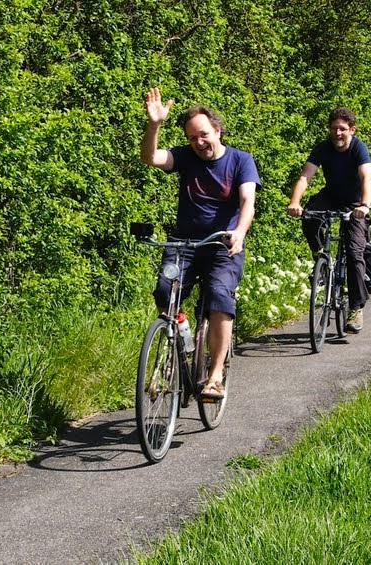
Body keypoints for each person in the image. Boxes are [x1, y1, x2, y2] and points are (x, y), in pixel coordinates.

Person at [140, 87, 260, 399]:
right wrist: (154, 125)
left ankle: (215, 377)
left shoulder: (241, 160)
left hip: (223, 245)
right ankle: (182, 335)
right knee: (165, 292)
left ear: (217, 130)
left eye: (204, 134)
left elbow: (247, 202)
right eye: (193, 138)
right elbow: (151, 157)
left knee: (219, 296)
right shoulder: (185, 156)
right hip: (184, 243)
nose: (199, 142)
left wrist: (239, 232)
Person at [286, 107, 371, 333]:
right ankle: (321, 259)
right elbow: (305, 176)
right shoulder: (323, 148)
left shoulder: (358, 148)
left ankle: (356, 307)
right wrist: (295, 202)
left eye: (342, 129)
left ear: (352, 130)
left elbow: (366, 177)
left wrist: (365, 205)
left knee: (354, 253)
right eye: (334, 128)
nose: (337, 133)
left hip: (355, 204)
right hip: (332, 196)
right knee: (309, 216)